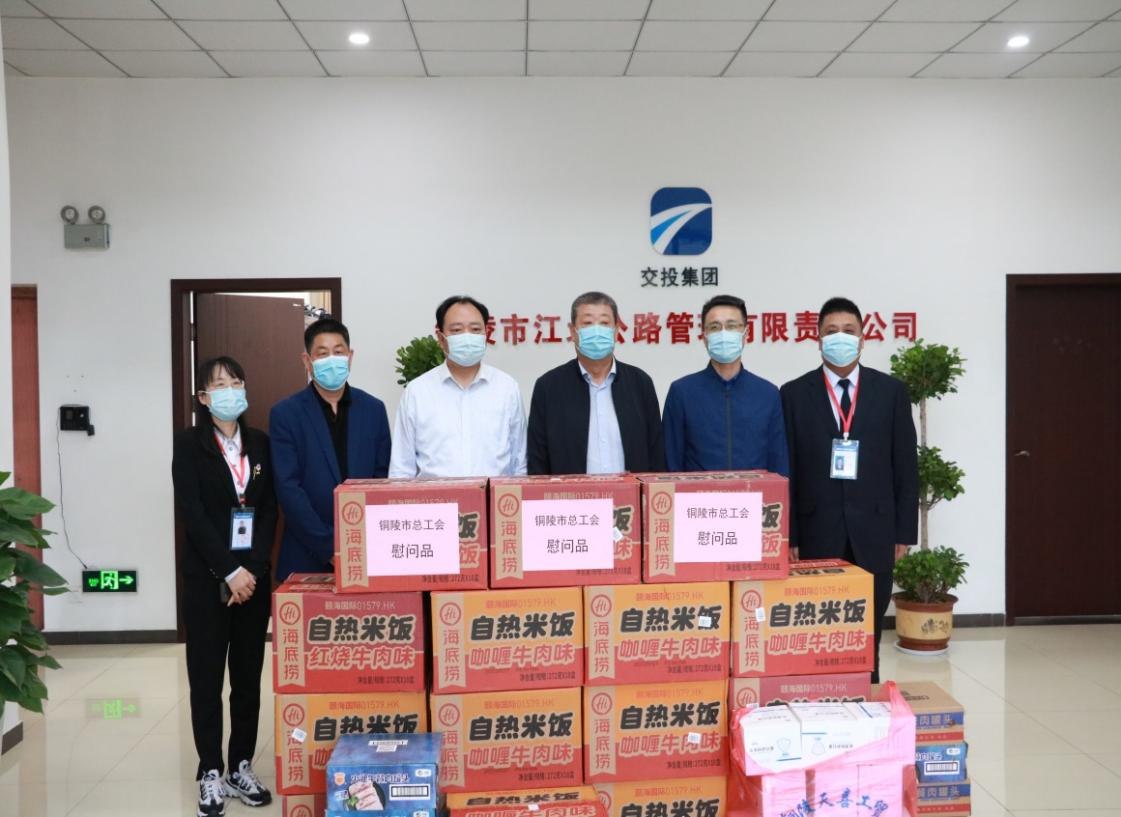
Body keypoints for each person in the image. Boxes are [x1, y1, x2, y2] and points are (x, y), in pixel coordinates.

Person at [780, 297, 919, 683]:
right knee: (819, 623)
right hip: (815, 531)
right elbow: (788, 470)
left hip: (876, 530)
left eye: (848, 331)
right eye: (831, 331)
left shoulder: (891, 392)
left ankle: (867, 692)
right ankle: (821, 695)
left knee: (868, 627)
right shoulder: (793, 394)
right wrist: (790, 534)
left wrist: (904, 532)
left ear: (862, 339)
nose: (839, 338)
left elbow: (905, 466)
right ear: (817, 339)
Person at [171, 356, 275, 817]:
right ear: (203, 397)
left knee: (248, 678)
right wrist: (229, 571)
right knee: (207, 678)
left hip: (253, 582)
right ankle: (210, 769)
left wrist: (251, 570)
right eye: (219, 384)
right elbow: (192, 514)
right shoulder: (188, 445)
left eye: (236, 381)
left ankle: (241, 764)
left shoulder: (261, 443)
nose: (230, 390)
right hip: (207, 581)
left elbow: (268, 510)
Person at [270, 317, 391, 579]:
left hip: (366, 549)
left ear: (350, 356)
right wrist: (329, 547)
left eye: (338, 352)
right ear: (307, 361)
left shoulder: (374, 409)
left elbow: (382, 479)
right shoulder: (285, 414)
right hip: (306, 554)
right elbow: (288, 487)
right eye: (322, 354)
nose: (332, 359)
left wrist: (358, 541)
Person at [528, 291, 665, 475]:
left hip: (630, 493)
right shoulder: (548, 387)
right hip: (569, 493)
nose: (597, 330)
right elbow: (537, 459)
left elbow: (656, 454)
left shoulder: (640, 383)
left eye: (604, 323)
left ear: (616, 331)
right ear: (573, 331)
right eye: (587, 323)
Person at [389, 295, 527, 478]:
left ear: (486, 335)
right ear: (441, 338)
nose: (467, 337)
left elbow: (520, 464)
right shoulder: (417, 392)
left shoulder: (507, 388)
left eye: (475, 329)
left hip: (493, 495)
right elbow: (401, 469)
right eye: (457, 330)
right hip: (435, 496)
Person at [662, 294, 789, 475]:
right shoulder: (682, 392)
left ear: (745, 334)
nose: (723, 334)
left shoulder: (767, 394)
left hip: (754, 493)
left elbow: (778, 462)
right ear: (704, 337)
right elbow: (671, 463)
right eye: (714, 327)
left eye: (731, 326)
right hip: (698, 493)